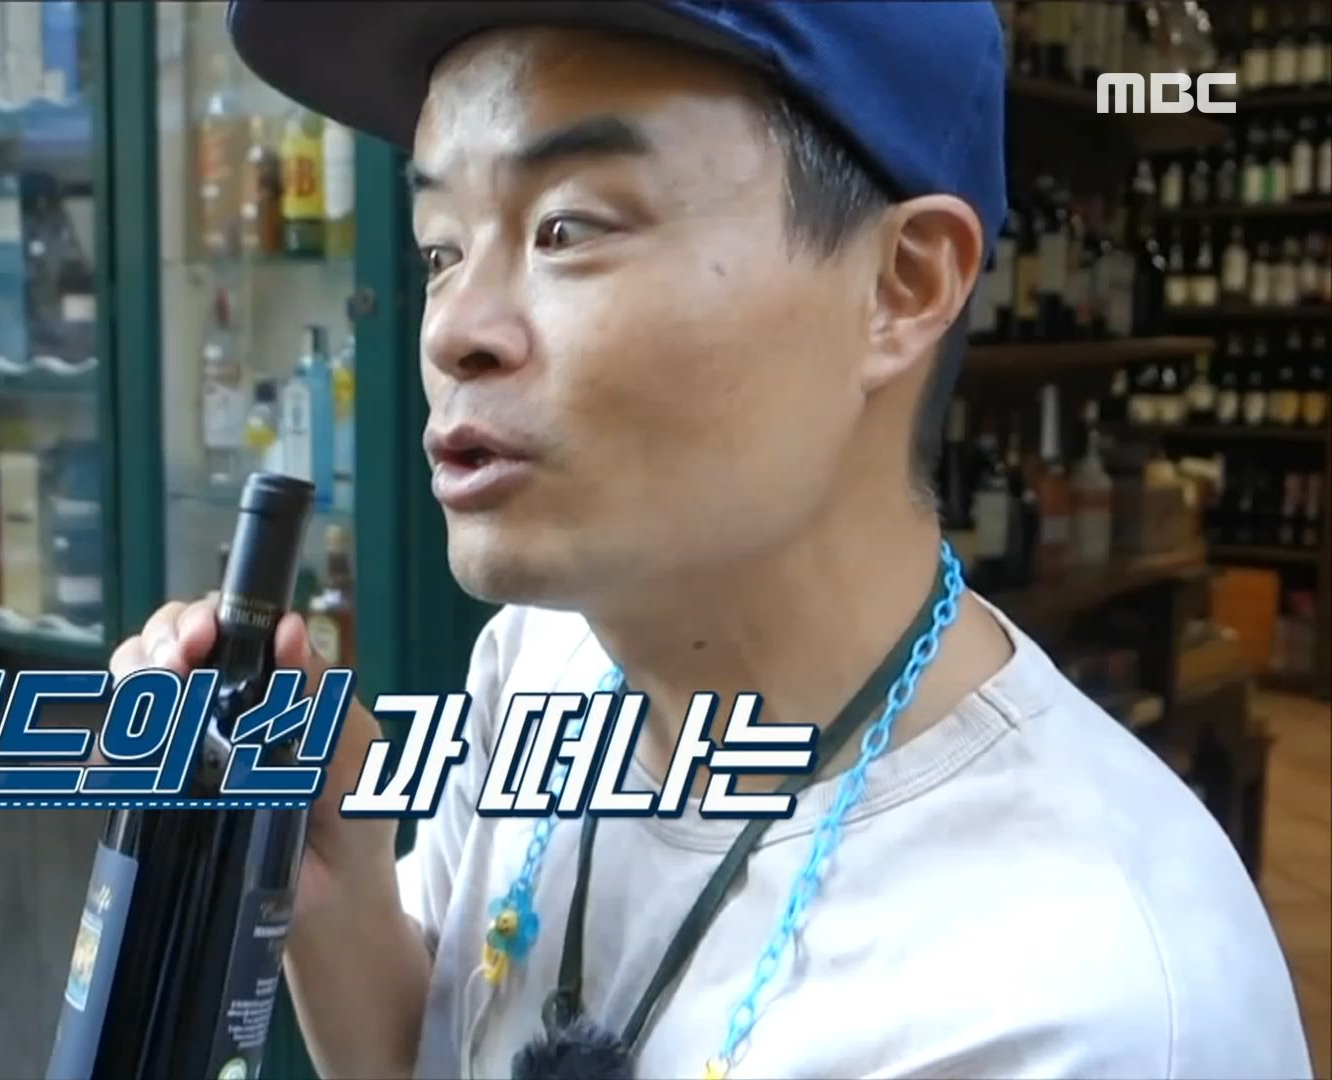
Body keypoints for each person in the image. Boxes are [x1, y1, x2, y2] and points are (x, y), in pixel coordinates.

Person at [114, 4, 1310, 1079]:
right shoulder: (540, 661)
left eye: (568, 227)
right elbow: (433, 1049)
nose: (453, 331)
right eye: (442, 247)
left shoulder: (1078, 1014)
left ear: (900, 286)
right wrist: (332, 894)